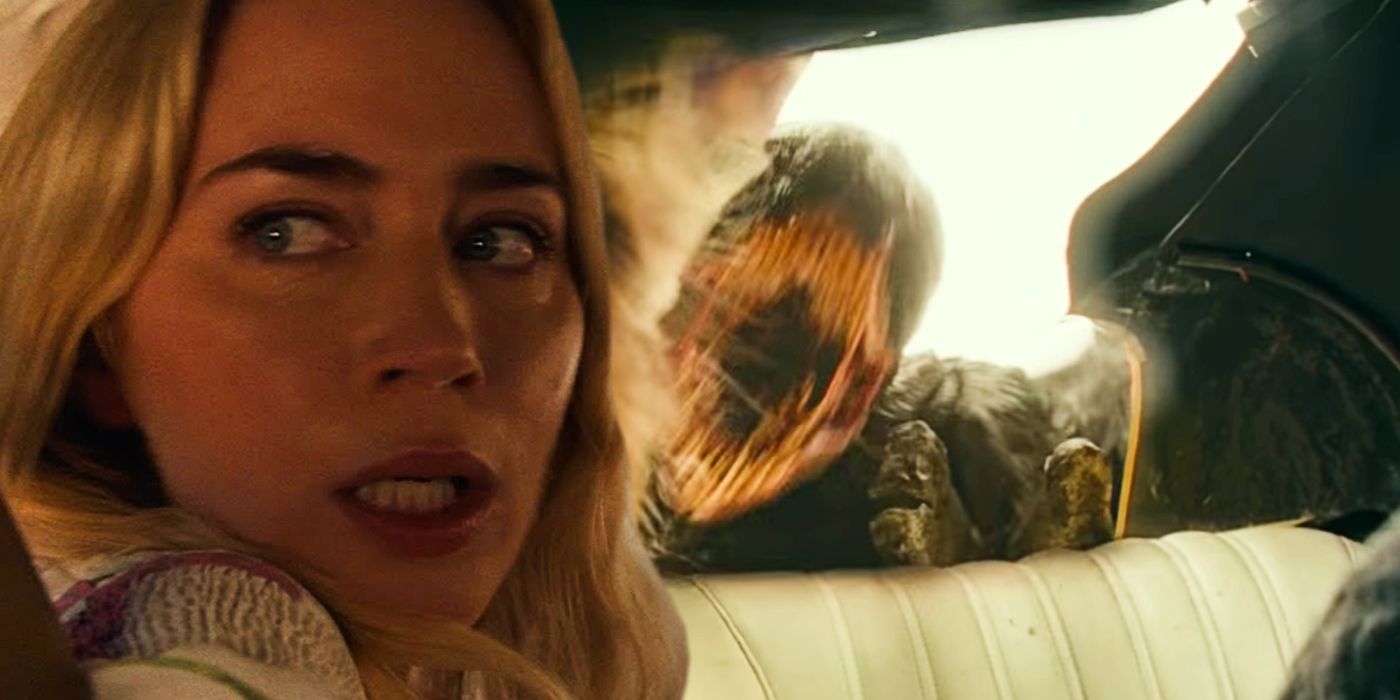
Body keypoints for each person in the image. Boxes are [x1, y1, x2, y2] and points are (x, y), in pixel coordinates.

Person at [0, 0, 687, 698]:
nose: (440, 348)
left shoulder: (598, 630)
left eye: (499, 240)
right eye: (286, 233)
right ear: (96, 347)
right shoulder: (196, 629)